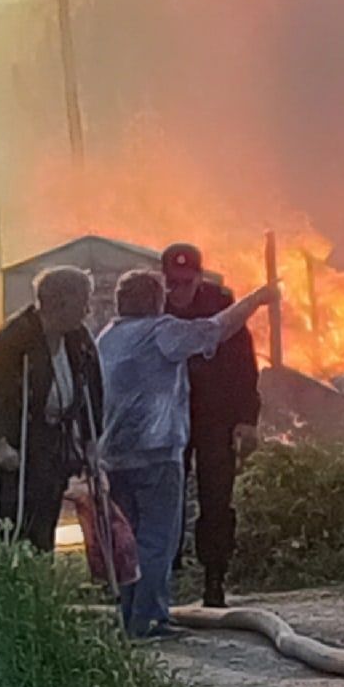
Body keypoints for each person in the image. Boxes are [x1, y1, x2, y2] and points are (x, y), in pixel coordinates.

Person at [96, 268, 278, 639]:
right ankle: (149, 619)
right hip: (156, 452)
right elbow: (214, 329)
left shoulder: (108, 337)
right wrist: (256, 301)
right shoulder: (161, 332)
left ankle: (130, 617)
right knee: (156, 538)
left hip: (114, 456)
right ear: (155, 300)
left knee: (127, 540)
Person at [0, 268, 104, 550]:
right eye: (83, 301)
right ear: (58, 302)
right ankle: (7, 588)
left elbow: (94, 389)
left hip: (49, 447)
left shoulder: (78, 339)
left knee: (43, 529)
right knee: (9, 530)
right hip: (11, 449)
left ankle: (40, 585)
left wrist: (91, 439)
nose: (88, 310)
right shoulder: (16, 338)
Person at [160, 243, 263, 609]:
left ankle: (215, 580)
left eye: (186, 282)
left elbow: (243, 367)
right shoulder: (155, 307)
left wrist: (247, 419)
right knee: (164, 498)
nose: (179, 291)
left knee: (216, 497)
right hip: (170, 417)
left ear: (199, 278)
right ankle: (162, 582)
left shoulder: (221, 307)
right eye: (172, 282)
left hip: (215, 416)